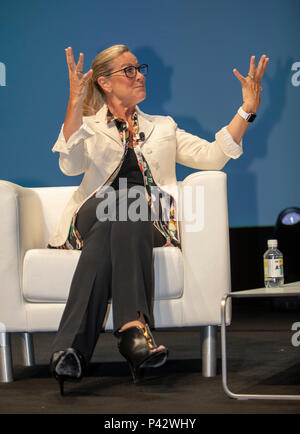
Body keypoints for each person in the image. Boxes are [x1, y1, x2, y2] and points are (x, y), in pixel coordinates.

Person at [49, 44, 269, 395]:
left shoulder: (162, 127)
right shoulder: (88, 126)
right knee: (124, 200)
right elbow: (70, 165)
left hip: (145, 223)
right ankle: (133, 330)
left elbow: (212, 156)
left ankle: (71, 350)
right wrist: (75, 102)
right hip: (92, 214)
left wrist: (246, 110)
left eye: (140, 68)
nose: (140, 75)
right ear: (104, 83)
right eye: (130, 70)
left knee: (127, 211)